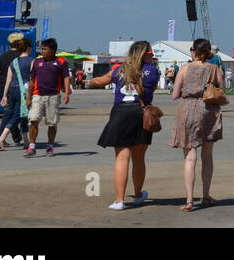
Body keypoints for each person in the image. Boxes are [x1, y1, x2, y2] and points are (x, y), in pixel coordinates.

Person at [91, 40, 160, 210]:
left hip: (121, 113)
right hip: (141, 113)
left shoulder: (119, 70)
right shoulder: (153, 71)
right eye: (150, 54)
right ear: (144, 54)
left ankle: (119, 200)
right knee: (138, 158)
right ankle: (137, 195)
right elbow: (152, 88)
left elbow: (100, 81)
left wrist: (90, 81)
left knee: (122, 157)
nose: (152, 57)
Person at [168, 38, 225, 210]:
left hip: (187, 110)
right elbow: (221, 90)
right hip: (208, 110)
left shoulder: (184, 68)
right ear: (208, 52)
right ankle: (206, 196)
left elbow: (175, 95)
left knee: (190, 158)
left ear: (194, 50)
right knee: (207, 156)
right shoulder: (214, 69)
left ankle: (189, 200)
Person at [25, 38, 71, 157]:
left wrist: (66, 93)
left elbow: (66, 77)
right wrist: (28, 97)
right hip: (37, 95)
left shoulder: (61, 62)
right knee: (33, 120)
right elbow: (31, 80)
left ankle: (50, 146)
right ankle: (31, 147)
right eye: (42, 49)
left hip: (53, 96)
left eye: (45, 49)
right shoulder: (36, 62)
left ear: (53, 50)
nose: (42, 51)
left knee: (52, 123)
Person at [0, 32, 28, 150]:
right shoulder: (22, 56)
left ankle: (13, 137)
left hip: (3, 88)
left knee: (8, 114)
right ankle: (2, 138)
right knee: (18, 114)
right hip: (18, 87)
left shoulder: (2, 56)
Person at [0, 37, 35, 149]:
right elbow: (34, 78)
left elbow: (8, 80)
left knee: (23, 116)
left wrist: (4, 95)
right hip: (24, 92)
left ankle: (26, 141)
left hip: (13, 91)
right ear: (28, 48)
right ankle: (1, 138)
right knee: (18, 116)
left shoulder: (13, 62)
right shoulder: (32, 61)